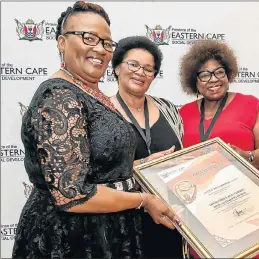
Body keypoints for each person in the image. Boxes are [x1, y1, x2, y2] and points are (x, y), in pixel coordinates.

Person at [12, 2, 176, 258]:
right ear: (61, 43)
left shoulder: (89, 91)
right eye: (88, 38)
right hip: (72, 238)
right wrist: (144, 200)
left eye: (107, 43)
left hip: (107, 230)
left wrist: (141, 165)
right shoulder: (58, 96)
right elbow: (72, 194)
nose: (99, 49)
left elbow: (93, 168)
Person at [179, 40, 259, 259]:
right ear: (194, 81)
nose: (213, 80)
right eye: (204, 75)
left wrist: (245, 157)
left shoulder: (250, 104)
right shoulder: (182, 114)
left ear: (228, 73)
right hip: (203, 213)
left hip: (249, 208)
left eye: (218, 72)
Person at [109, 36, 184, 258]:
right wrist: (141, 166)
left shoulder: (168, 108)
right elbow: (96, 176)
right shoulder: (102, 112)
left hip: (168, 219)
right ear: (116, 68)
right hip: (123, 222)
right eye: (133, 64)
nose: (140, 72)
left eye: (149, 69)